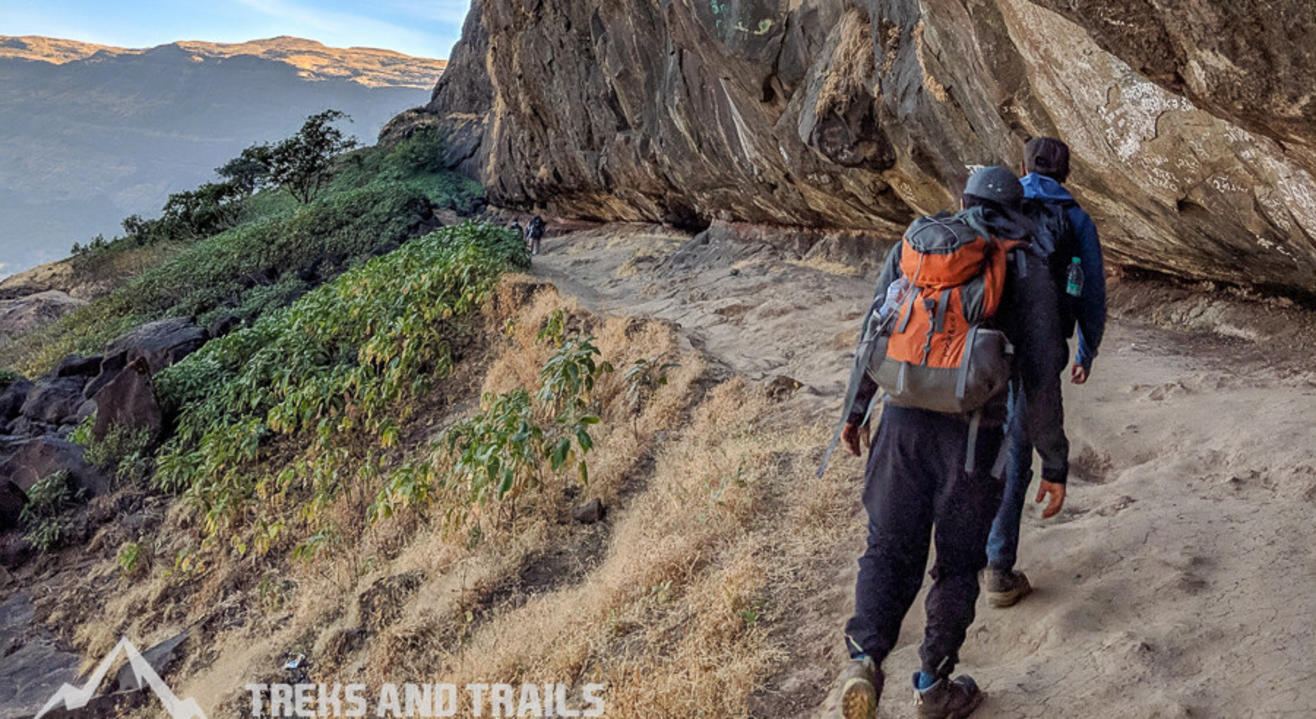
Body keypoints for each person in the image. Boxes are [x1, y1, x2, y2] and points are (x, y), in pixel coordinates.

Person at [832, 167, 1069, 719]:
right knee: (958, 566)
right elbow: (1040, 377)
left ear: (961, 200)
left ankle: (864, 658)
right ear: (1018, 210)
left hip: (900, 427)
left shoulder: (917, 248)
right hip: (974, 442)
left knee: (888, 549)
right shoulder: (1023, 263)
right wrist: (1053, 462)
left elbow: (875, 329)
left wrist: (855, 411)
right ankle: (932, 685)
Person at [982, 137, 1106, 608]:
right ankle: (997, 568)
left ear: (1021, 166)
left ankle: (966, 553)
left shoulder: (996, 205)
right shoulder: (1076, 219)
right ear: (1066, 175)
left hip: (981, 348)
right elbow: (1091, 292)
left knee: (978, 443)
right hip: (1038, 351)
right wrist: (1086, 352)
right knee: (1016, 453)